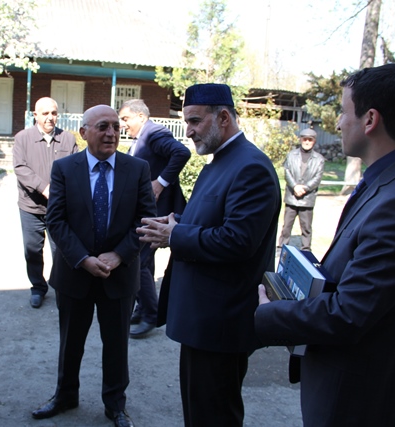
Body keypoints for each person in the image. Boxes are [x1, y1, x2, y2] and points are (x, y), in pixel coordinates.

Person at [256, 64, 395, 426]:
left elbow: (350, 312)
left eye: (344, 112)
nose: (339, 123)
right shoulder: (393, 179)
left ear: (370, 120)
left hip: (359, 398)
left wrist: (270, 312)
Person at [137, 84, 281, 426]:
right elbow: (213, 218)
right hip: (204, 320)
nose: (187, 131)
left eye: (195, 121)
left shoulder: (251, 167)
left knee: (214, 416)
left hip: (221, 325)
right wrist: (177, 221)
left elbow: (237, 241)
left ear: (224, 117)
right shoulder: (221, 161)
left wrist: (176, 235)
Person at [32, 105, 156, 427]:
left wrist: (120, 255)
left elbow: (146, 220)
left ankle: (115, 405)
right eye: (103, 127)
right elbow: (55, 220)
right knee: (70, 343)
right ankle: (65, 396)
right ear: (84, 132)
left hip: (120, 275)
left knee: (116, 346)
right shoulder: (64, 168)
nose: (111, 133)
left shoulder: (137, 169)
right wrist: (83, 259)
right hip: (75, 273)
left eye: (116, 126)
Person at [118, 99, 190, 338]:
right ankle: (143, 308)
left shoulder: (153, 133)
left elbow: (181, 152)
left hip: (158, 213)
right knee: (145, 263)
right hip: (149, 212)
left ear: (140, 116)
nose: (123, 124)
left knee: (137, 261)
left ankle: (151, 313)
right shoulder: (141, 137)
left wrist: (160, 182)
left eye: (125, 119)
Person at [13, 97, 78, 308]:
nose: (50, 117)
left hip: (59, 208)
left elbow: (77, 168)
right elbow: (20, 168)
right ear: (35, 115)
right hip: (31, 206)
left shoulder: (67, 139)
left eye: (54, 113)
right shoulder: (23, 138)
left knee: (61, 251)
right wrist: (44, 188)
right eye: (45, 113)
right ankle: (38, 287)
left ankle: (61, 286)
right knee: (32, 250)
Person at [277, 127, 325, 251]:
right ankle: (281, 247)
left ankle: (306, 249)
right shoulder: (291, 155)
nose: (307, 142)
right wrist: (295, 186)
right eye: (305, 139)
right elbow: (287, 172)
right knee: (286, 226)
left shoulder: (319, 159)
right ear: (301, 140)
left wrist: (305, 188)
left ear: (314, 141)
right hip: (292, 196)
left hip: (307, 198)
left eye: (310, 140)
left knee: (306, 227)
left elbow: (318, 177)